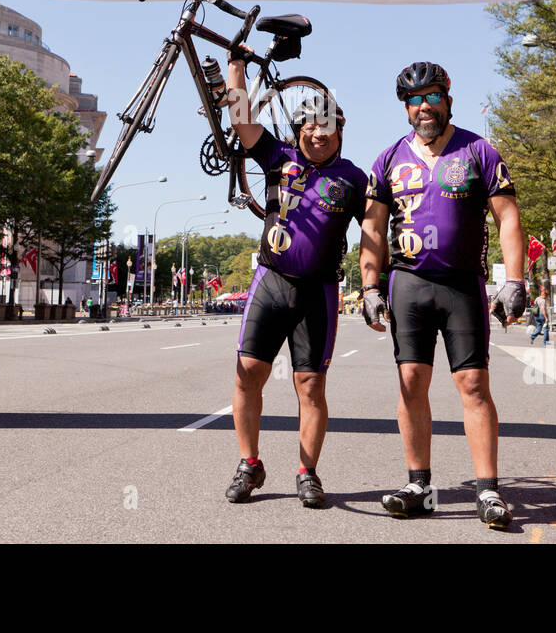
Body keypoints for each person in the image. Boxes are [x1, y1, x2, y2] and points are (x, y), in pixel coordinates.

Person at [360, 61, 527, 530]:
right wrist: (369, 286)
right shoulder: (389, 159)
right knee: (411, 380)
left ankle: (489, 490)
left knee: (472, 385)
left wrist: (514, 280)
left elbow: (507, 217)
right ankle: (419, 485)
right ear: (405, 109)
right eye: (413, 100)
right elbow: (373, 228)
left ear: (447, 98)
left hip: (461, 284)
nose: (423, 107)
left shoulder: (478, 151)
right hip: (409, 282)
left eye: (431, 96)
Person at [221, 46, 367, 509]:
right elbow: (241, 116)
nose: (318, 134)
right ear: (299, 130)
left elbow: (379, 232)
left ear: (340, 131)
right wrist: (238, 66)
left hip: (319, 292)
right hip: (271, 281)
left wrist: (379, 285)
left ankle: (307, 472)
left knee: (310, 386)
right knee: (247, 374)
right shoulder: (277, 156)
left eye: (327, 127)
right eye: (310, 126)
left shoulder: (355, 178)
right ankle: (250, 464)